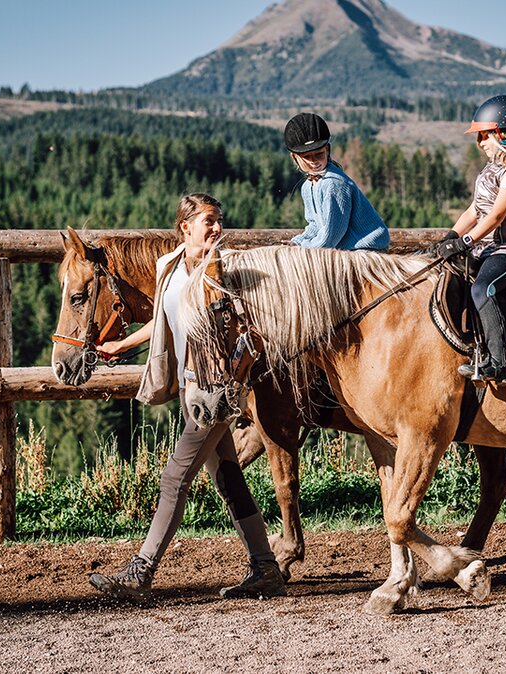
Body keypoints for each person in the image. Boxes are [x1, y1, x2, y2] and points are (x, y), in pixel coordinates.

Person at [89, 193, 286, 604]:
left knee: (175, 478)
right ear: (185, 227)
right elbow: (166, 316)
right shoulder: (170, 267)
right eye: (208, 221)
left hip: (214, 392)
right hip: (188, 388)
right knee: (229, 480)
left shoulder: (225, 270)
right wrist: (124, 344)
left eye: (218, 219)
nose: (216, 228)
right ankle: (266, 568)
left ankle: (141, 571)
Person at [435, 94, 506, 386]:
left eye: (485, 136)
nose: (480, 142)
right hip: (488, 248)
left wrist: (467, 241)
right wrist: (450, 237)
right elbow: (474, 210)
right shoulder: (492, 169)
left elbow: (497, 216)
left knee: (484, 288)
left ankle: (498, 363)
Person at [283, 112, 390, 251]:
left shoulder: (335, 185)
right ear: (295, 157)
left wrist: (304, 249)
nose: (314, 161)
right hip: (343, 250)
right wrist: (297, 242)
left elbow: (330, 236)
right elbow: (315, 225)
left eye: (319, 154)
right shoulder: (307, 186)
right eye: (307, 156)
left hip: (366, 249)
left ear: (327, 150)